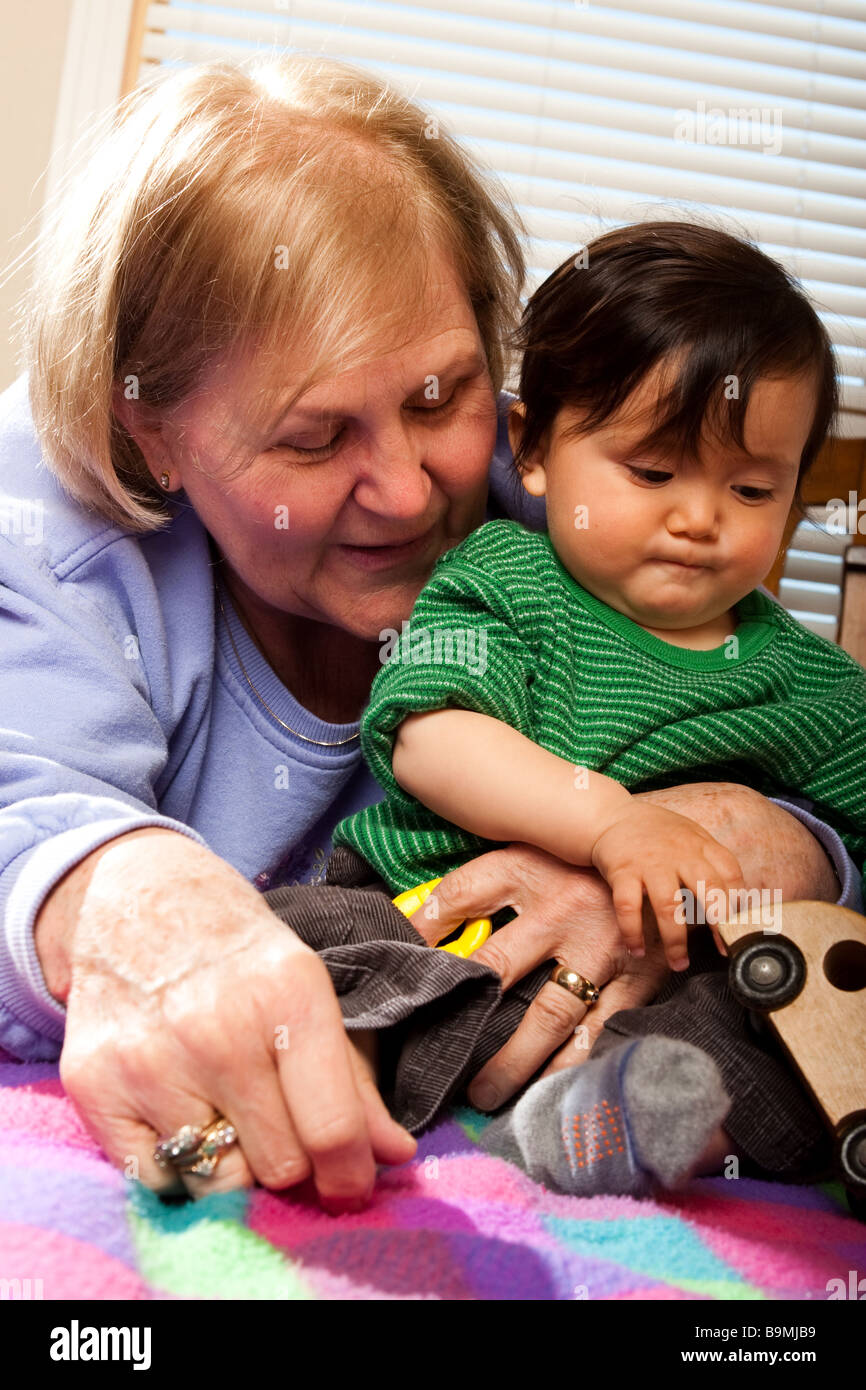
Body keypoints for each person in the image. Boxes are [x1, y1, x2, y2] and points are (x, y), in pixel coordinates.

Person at [0, 54, 858, 1213]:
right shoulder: (48, 529)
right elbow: (30, 807)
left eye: (437, 398)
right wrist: (137, 902)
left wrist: (745, 843)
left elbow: (787, 752)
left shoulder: (577, 497)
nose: (408, 493)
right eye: (312, 440)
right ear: (148, 429)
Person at [332, 221, 866, 1196]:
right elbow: (427, 734)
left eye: (751, 488)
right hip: (424, 918)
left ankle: (582, 1126)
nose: (699, 516)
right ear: (532, 446)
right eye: (652, 472)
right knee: (296, 933)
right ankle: (317, 1079)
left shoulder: (814, 685)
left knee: (789, 1040)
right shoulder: (502, 576)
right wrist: (610, 819)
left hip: (647, 992)